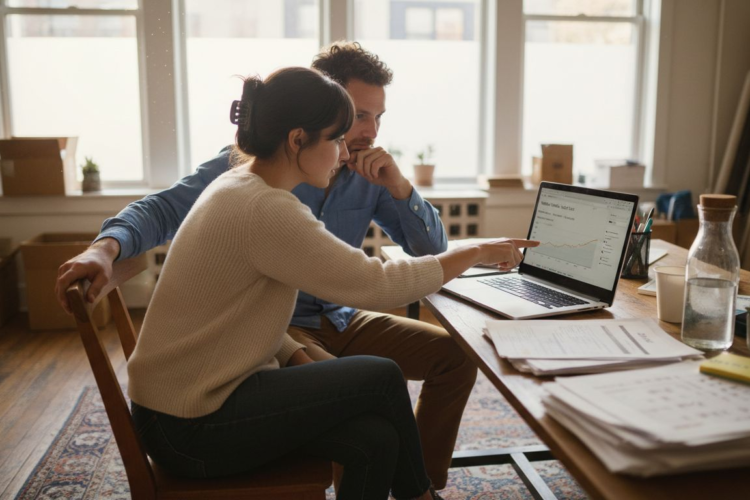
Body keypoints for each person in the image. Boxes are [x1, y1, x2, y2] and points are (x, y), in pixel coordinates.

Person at [57, 42, 465, 489]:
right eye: (354, 119)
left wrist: (402, 187)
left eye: (377, 117)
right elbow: (161, 210)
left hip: (331, 319)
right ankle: (418, 492)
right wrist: (106, 246)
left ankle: (425, 479)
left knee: (399, 413)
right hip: (268, 340)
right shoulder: (250, 180)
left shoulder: (364, 172)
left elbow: (429, 250)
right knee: (379, 382)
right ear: (308, 122)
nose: (365, 132)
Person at [126, 66, 537, 499]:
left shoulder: (242, 185)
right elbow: (377, 285)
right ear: (297, 139)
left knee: (375, 439)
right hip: (190, 427)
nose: (345, 153)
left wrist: (295, 356)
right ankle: (421, 496)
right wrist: (474, 251)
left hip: (191, 407)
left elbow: (237, 316)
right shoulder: (267, 208)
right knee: (380, 377)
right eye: (336, 138)